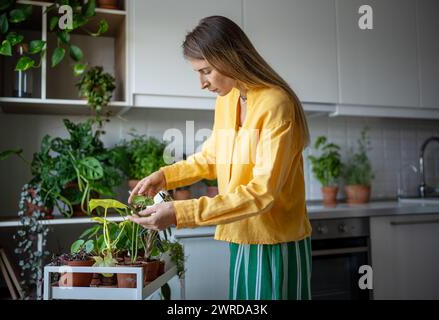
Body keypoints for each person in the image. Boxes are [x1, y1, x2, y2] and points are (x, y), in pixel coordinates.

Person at [128, 15, 312, 300]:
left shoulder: (276, 103)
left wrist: (180, 213)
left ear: (230, 58)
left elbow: (262, 193)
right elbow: (213, 156)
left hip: (276, 240)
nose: (202, 83)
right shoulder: (228, 99)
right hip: (241, 234)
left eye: (206, 71)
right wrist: (165, 177)